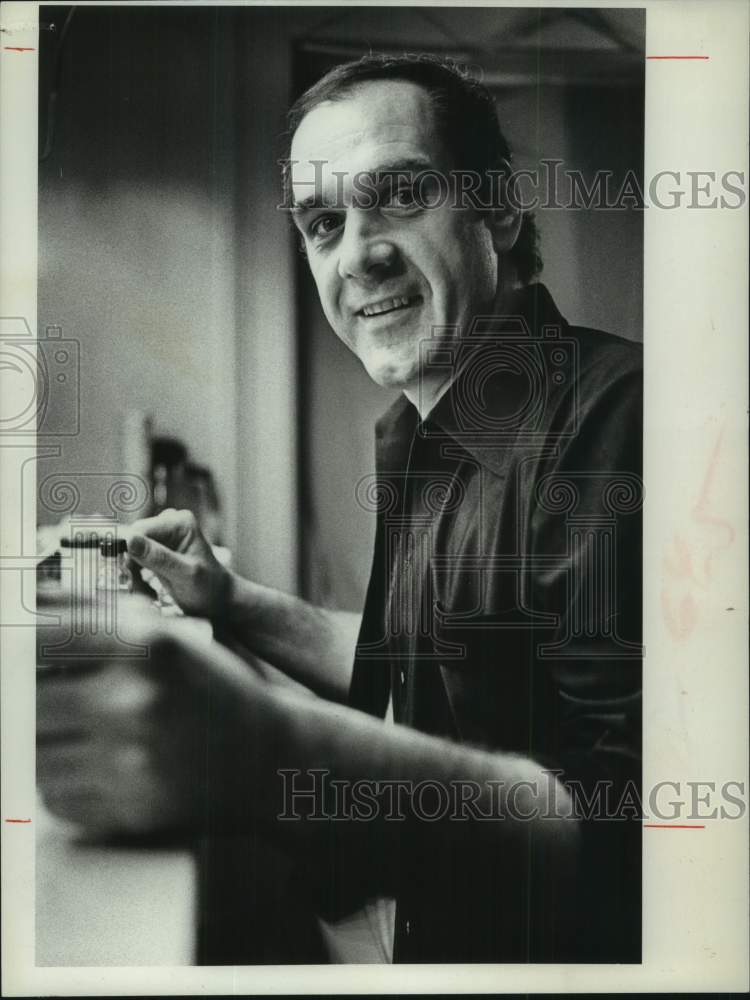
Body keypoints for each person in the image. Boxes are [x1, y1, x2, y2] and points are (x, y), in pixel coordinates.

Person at [37, 54, 642, 964]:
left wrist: (274, 751)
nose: (359, 253)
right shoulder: (419, 430)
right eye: (325, 223)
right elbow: (411, 664)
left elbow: (631, 831)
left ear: (500, 212)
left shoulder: (618, 417)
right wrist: (229, 598)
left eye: (399, 195)